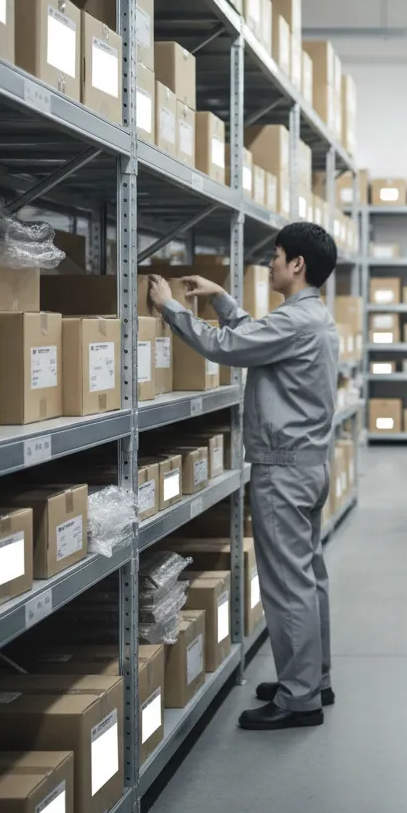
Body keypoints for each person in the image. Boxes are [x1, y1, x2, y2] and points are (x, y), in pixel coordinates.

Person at [147, 221, 340, 730]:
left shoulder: (297, 322)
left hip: (284, 470)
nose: (272, 263)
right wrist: (222, 298)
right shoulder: (310, 317)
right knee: (308, 576)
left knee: (286, 585)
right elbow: (255, 336)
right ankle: (312, 679)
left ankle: (299, 699)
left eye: (277, 256)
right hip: (309, 464)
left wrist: (171, 308)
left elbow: (226, 347)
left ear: (297, 264)